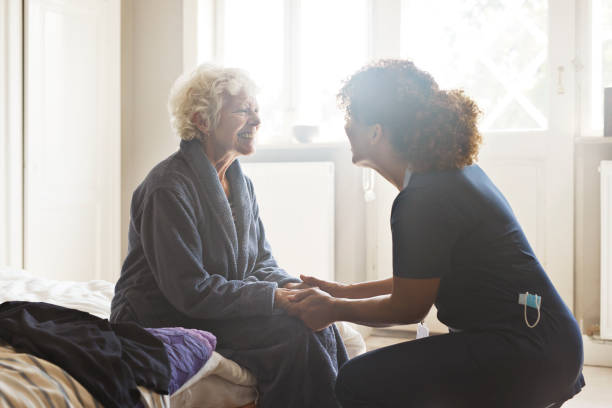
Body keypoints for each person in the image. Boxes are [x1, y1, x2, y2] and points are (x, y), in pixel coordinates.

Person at [287, 59, 585, 408]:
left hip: (528, 353)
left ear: (376, 132)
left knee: (357, 380)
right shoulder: (449, 175)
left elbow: (409, 307)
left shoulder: (422, 199)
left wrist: (333, 309)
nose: (346, 126)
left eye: (351, 116)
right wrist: (345, 292)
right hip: (552, 343)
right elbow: (423, 278)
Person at [110, 64, 348, 408]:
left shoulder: (239, 183)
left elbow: (261, 261)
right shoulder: (167, 188)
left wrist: (295, 290)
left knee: (320, 323)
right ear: (202, 121)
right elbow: (189, 291)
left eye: (256, 110)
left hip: (214, 307)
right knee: (293, 336)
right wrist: (274, 298)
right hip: (159, 315)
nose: (257, 120)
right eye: (243, 111)